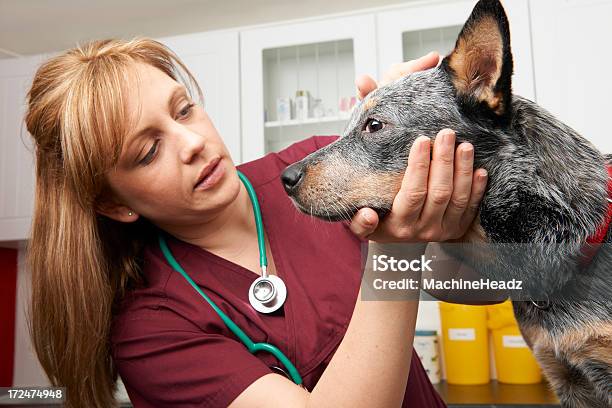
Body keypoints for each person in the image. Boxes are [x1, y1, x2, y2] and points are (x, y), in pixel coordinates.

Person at [24, 38, 487, 407]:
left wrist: (402, 124)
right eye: (148, 151)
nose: (191, 142)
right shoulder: (152, 328)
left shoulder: (320, 173)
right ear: (113, 203)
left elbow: (485, 283)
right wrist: (394, 255)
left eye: (184, 109)